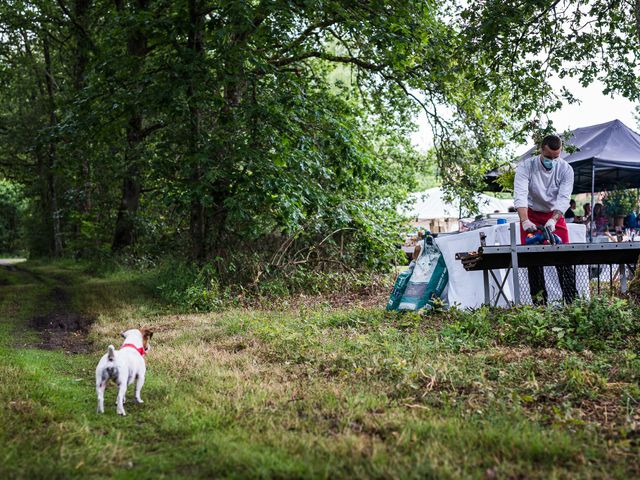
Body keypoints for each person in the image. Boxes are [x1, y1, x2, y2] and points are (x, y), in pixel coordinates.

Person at [514, 134, 577, 304]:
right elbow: (520, 196)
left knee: (564, 259)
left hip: (554, 215)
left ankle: (571, 302)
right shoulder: (526, 166)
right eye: (548, 157)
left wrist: (554, 220)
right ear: (541, 150)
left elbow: (564, 198)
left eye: (556, 157)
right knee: (533, 261)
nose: (552, 161)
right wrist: (525, 221)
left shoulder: (565, 169)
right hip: (531, 214)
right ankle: (539, 305)